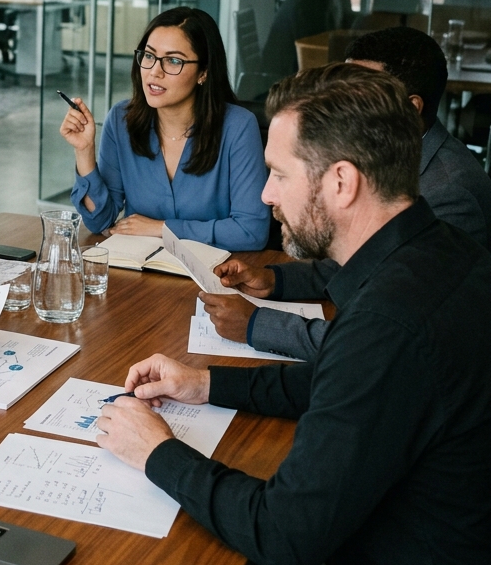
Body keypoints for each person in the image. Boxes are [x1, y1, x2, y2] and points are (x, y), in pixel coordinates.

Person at [95, 64, 491, 565]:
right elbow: (343, 384)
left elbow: (282, 533)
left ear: (341, 182)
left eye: (280, 173)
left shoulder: (388, 323)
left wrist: (156, 451)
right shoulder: (442, 254)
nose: (266, 194)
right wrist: (206, 383)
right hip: (384, 549)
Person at [202, 29, 491, 360]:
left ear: (410, 110)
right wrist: (274, 279)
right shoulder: (382, 164)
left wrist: (257, 325)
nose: (335, 105)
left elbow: (385, 342)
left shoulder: (449, 193)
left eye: (358, 92)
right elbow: (363, 262)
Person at [60, 6, 270, 249]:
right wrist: (84, 151)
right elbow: (100, 221)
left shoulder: (238, 127)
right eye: (149, 56)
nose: (154, 72)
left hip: (213, 268)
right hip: (140, 266)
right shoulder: (121, 120)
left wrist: (162, 228)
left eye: (173, 61)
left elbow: (251, 231)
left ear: (203, 72)